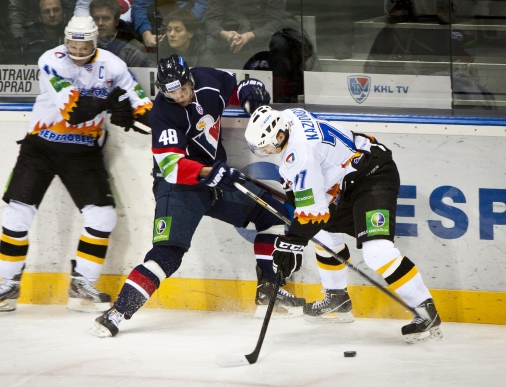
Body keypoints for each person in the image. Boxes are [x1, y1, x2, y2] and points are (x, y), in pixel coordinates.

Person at [88, 54, 307, 338]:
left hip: (217, 179)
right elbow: (171, 166)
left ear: (191, 79)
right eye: (171, 92)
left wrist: (250, 97)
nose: (179, 96)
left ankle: (269, 293)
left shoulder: (207, 80)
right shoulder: (163, 113)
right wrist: (209, 172)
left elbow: (238, 86)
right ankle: (116, 313)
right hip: (179, 187)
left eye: (183, 89)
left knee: (271, 215)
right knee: (167, 255)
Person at [0, 16, 153, 313]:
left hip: (84, 151)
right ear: (64, 39)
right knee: (16, 214)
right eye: (71, 43)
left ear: (95, 41)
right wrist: (112, 103)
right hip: (40, 147)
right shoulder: (51, 60)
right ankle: (7, 283)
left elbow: (141, 106)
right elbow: (73, 110)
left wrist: (134, 113)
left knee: (102, 218)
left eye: (82, 44)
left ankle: (82, 284)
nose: (75, 50)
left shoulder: (113, 66)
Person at [243, 106, 443, 343]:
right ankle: (337, 297)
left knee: (377, 252)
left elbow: (311, 214)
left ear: (279, 136)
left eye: (264, 146)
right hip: (345, 182)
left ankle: (424, 308)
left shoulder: (301, 153)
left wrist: (292, 244)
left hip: (373, 175)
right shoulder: (287, 116)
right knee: (324, 233)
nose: (263, 151)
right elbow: (312, 206)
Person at [89, 0, 150, 67]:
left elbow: (137, 77)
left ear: (116, 21)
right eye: (96, 19)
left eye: (106, 18)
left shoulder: (133, 50)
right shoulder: (83, 44)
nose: (100, 23)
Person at [132, 0, 208, 48]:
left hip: (187, 20)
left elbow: (202, 4)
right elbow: (140, 6)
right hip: (156, 23)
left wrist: (185, 24)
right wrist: (147, 35)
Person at [22, 0, 67, 65]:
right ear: (39, 17)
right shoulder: (29, 42)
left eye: (56, 10)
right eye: (46, 12)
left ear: (64, 13)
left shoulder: (73, 38)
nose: (52, 15)